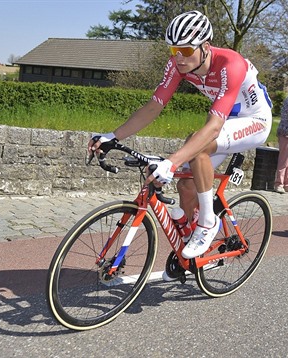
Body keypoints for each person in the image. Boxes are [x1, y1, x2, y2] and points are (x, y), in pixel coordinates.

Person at [88, 10, 273, 261]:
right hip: (226, 122)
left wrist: (171, 161)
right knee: (186, 184)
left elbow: (214, 127)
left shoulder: (231, 63)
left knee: (199, 144)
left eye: (185, 50)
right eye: (173, 50)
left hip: (254, 121)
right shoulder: (178, 65)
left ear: (205, 47)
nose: (179, 57)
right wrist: (113, 135)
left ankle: (207, 223)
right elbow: (154, 106)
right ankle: (194, 250)